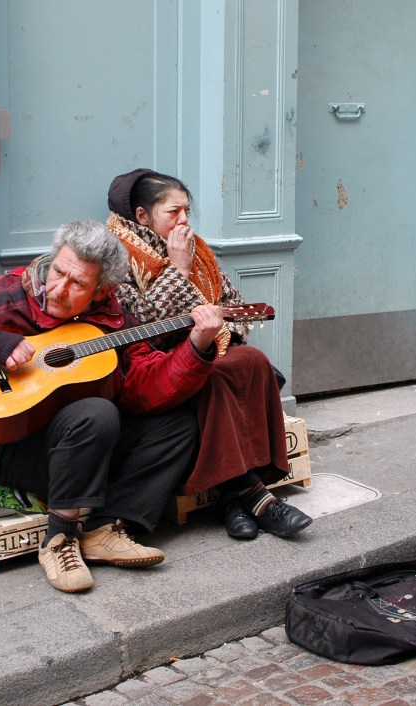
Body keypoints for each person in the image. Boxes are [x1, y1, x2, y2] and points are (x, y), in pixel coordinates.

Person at [0, 220, 225, 593]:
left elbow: (143, 388)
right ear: (53, 259)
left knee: (176, 427)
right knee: (96, 413)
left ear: (100, 290)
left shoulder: (110, 318)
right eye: (58, 272)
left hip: (84, 446)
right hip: (7, 447)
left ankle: (107, 529)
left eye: (78, 285)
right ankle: (60, 539)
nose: (58, 289)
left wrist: (198, 346)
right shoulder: (7, 295)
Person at [106, 168, 313, 540]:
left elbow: (232, 305)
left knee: (251, 361)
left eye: (187, 210)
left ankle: (234, 498)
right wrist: (178, 270)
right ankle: (252, 496)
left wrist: (218, 333)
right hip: (151, 363)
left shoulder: (196, 248)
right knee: (211, 376)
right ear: (141, 215)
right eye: (173, 212)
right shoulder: (117, 257)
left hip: (203, 347)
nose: (184, 220)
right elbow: (141, 324)